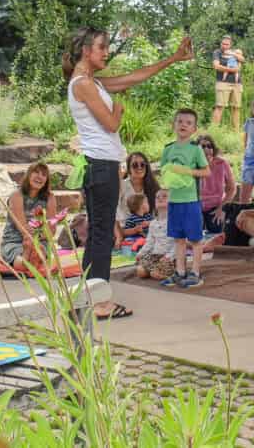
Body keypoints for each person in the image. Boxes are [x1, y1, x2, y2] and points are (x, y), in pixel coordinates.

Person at [64, 27, 192, 320]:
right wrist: (119, 110)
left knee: (98, 235)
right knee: (101, 237)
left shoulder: (92, 82)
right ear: (86, 51)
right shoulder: (82, 84)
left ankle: (89, 298)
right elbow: (110, 124)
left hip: (102, 166)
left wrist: (173, 58)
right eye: (102, 48)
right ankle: (99, 303)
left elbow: (134, 77)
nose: (106, 52)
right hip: (101, 166)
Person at [158, 109, 211, 288]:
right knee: (178, 239)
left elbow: (206, 171)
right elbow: (164, 172)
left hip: (191, 201)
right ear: (173, 125)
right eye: (180, 121)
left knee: (195, 239)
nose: (183, 125)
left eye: (188, 123)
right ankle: (180, 272)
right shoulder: (168, 149)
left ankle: (195, 273)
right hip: (174, 201)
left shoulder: (196, 150)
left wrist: (188, 172)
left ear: (194, 129)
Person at [1, 162, 57, 271]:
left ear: (46, 180)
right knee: (21, 266)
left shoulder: (50, 198)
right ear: (28, 175)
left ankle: (35, 255)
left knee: (38, 254)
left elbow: (52, 230)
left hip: (40, 241)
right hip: (15, 241)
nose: (39, 177)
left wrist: (37, 239)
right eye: (36, 172)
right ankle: (27, 255)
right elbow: (23, 228)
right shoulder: (16, 196)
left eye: (43, 175)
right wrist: (30, 243)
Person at [115, 151, 160, 244]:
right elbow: (113, 210)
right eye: (135, 165)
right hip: (125, 229)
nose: (139, 167)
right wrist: (119, 234)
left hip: (149, 230)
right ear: (129, 168)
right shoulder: (122, 186)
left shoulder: (153, 187)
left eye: (143, 164)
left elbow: (160, 213)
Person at [198, 134, 236, 235]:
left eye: (209, 146)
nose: (206, 149)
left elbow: (231, 189)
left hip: (216, 205)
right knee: (194, 232)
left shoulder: (222, 164)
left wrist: (222, 208)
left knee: (216, 231)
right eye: (203, 146)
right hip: (196, 205)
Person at [135, 188, 176, 280]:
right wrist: (141, 253)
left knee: (155, 274)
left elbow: (178, 243)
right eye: (157, 197)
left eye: (164, 196)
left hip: (170, 257)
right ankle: (156, 270)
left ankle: (169, 272)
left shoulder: (174, 221)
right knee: (140, 272)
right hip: (155, 255)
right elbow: (150, 242)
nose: (160, 198)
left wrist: (169, 256)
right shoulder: (153, 223)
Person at [211, 35, 244, 130]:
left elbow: (242, 59)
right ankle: (214, 131)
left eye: (227, 44)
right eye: (223, 43)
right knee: (220, 106)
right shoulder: (217, 52)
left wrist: (234, 54)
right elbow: (216, 66)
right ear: (221, 43)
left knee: (236, 107)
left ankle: (236, 132)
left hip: (237, 83)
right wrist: (231, 70)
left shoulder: (234, 53)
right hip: (222, 83)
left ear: (230, 45)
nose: (224, 46)